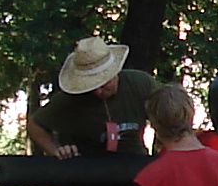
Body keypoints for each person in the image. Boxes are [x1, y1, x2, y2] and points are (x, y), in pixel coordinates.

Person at [27, 37, 159, 159]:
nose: (98, 91)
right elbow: (35, 125)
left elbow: (172, 111)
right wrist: (56, 150)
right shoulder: (70, 99)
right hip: (87, 172)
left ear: (114, 73)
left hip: (134, 166)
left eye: (103, 84)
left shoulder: (141, 84)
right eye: (90, 86)